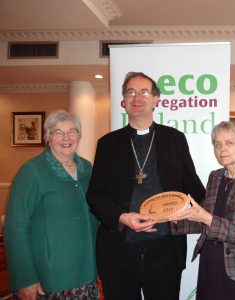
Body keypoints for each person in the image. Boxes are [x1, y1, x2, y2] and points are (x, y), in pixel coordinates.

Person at [86, 71, 206, 300]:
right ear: (124, 100)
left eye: (144, 92)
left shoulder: (174, 139)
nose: (137, 97)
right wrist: (122, 217)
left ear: (156, 99)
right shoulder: (108, 144)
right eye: (130, 92)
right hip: (119, 249)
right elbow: (95, 195)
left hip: (165, 251)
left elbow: (194, 188)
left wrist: (190, 210)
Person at [4, 109, 99, 300]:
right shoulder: (32, 172)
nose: (66, 137)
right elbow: (15, 228)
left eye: (72, 131)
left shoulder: (87, 168)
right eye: (58, 132)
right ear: (48, 137)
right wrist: (25, 279)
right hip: (51, 279)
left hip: (86, 272)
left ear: (79, 136)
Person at [170, 121, 235, 300]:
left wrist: (207, 219)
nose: (222, 149)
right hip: (210, 259)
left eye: (229, 142)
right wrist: (177, 221)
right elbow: (203, 219)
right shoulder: (215, 177)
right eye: (217, 144)